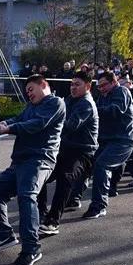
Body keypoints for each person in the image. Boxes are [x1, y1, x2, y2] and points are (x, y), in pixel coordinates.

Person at [0, 74, 65, 265]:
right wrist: (2, 124)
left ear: (43, 85)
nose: (28, 94)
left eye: (31, 89)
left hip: (39, 159)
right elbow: (19, 118)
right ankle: (3, 235)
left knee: (27, 196)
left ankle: (31, 248)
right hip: (20, 160)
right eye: (26, 91)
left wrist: (8, 129)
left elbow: (37, 124)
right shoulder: (31, 106)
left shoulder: (55, 103)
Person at [37, 70, 98, 235]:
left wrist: (46, 124)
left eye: (77, 84)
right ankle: (41, 212)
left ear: (88, 86)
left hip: (82, 153)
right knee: (41, 175)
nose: (73, 87)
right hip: (64, 149)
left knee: (65, 179)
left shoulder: (86, 104)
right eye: (71, 84)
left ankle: (52, 222)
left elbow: (69, 126)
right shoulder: (70, 100)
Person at [84, 71, 133, 219]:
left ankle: (99, 206)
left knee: (101, 165)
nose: (101, 89)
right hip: (106, 140)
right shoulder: (102, 96)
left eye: (104, 85)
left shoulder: (122, 92)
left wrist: (92, 110)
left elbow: (116, 110)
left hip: (122, 140)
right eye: (98, 86)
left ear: (114, 82)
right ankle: (74, 197)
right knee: (87, 161)